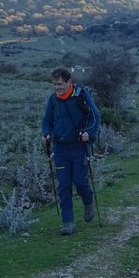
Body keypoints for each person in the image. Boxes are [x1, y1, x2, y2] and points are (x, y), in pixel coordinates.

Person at [41, 67, 101, 236]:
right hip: (60, 148)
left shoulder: (81, 95)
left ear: (69, 82)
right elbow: (47, 121)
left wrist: (89, 132)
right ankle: (68, 221)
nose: (56, 88)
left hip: (79, 146)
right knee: (64, 185)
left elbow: (96, 116)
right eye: (54, 84)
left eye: (59, 84)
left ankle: (88, 200)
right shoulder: (53, 100)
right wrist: (46, 134)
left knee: (80, 181)